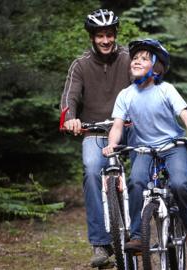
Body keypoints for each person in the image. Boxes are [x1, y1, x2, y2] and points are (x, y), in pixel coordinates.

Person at [102, 39, 187, 252]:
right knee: (136, 182)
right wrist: (112, 144)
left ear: (156, 67)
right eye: (135, 58)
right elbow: (118, 125)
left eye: (144, 59)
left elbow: (184, 114)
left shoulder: (166, 90)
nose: (137, 61)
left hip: (173, 145)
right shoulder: (126, 94)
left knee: (179, 184)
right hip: (144, 149)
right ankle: (139, 236)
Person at [59, 9, 132, 268]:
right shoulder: (80, 65)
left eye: (109, 35)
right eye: (100, 35)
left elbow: (143, 83)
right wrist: (70, 118)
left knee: (144, 169)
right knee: (91, 171)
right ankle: (100, 243)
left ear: (115, 35)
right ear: (92, 37)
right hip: (95, 131)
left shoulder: (128, 58)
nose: (105, 40)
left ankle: (141, 226)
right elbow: (70, 97)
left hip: (129, 128)